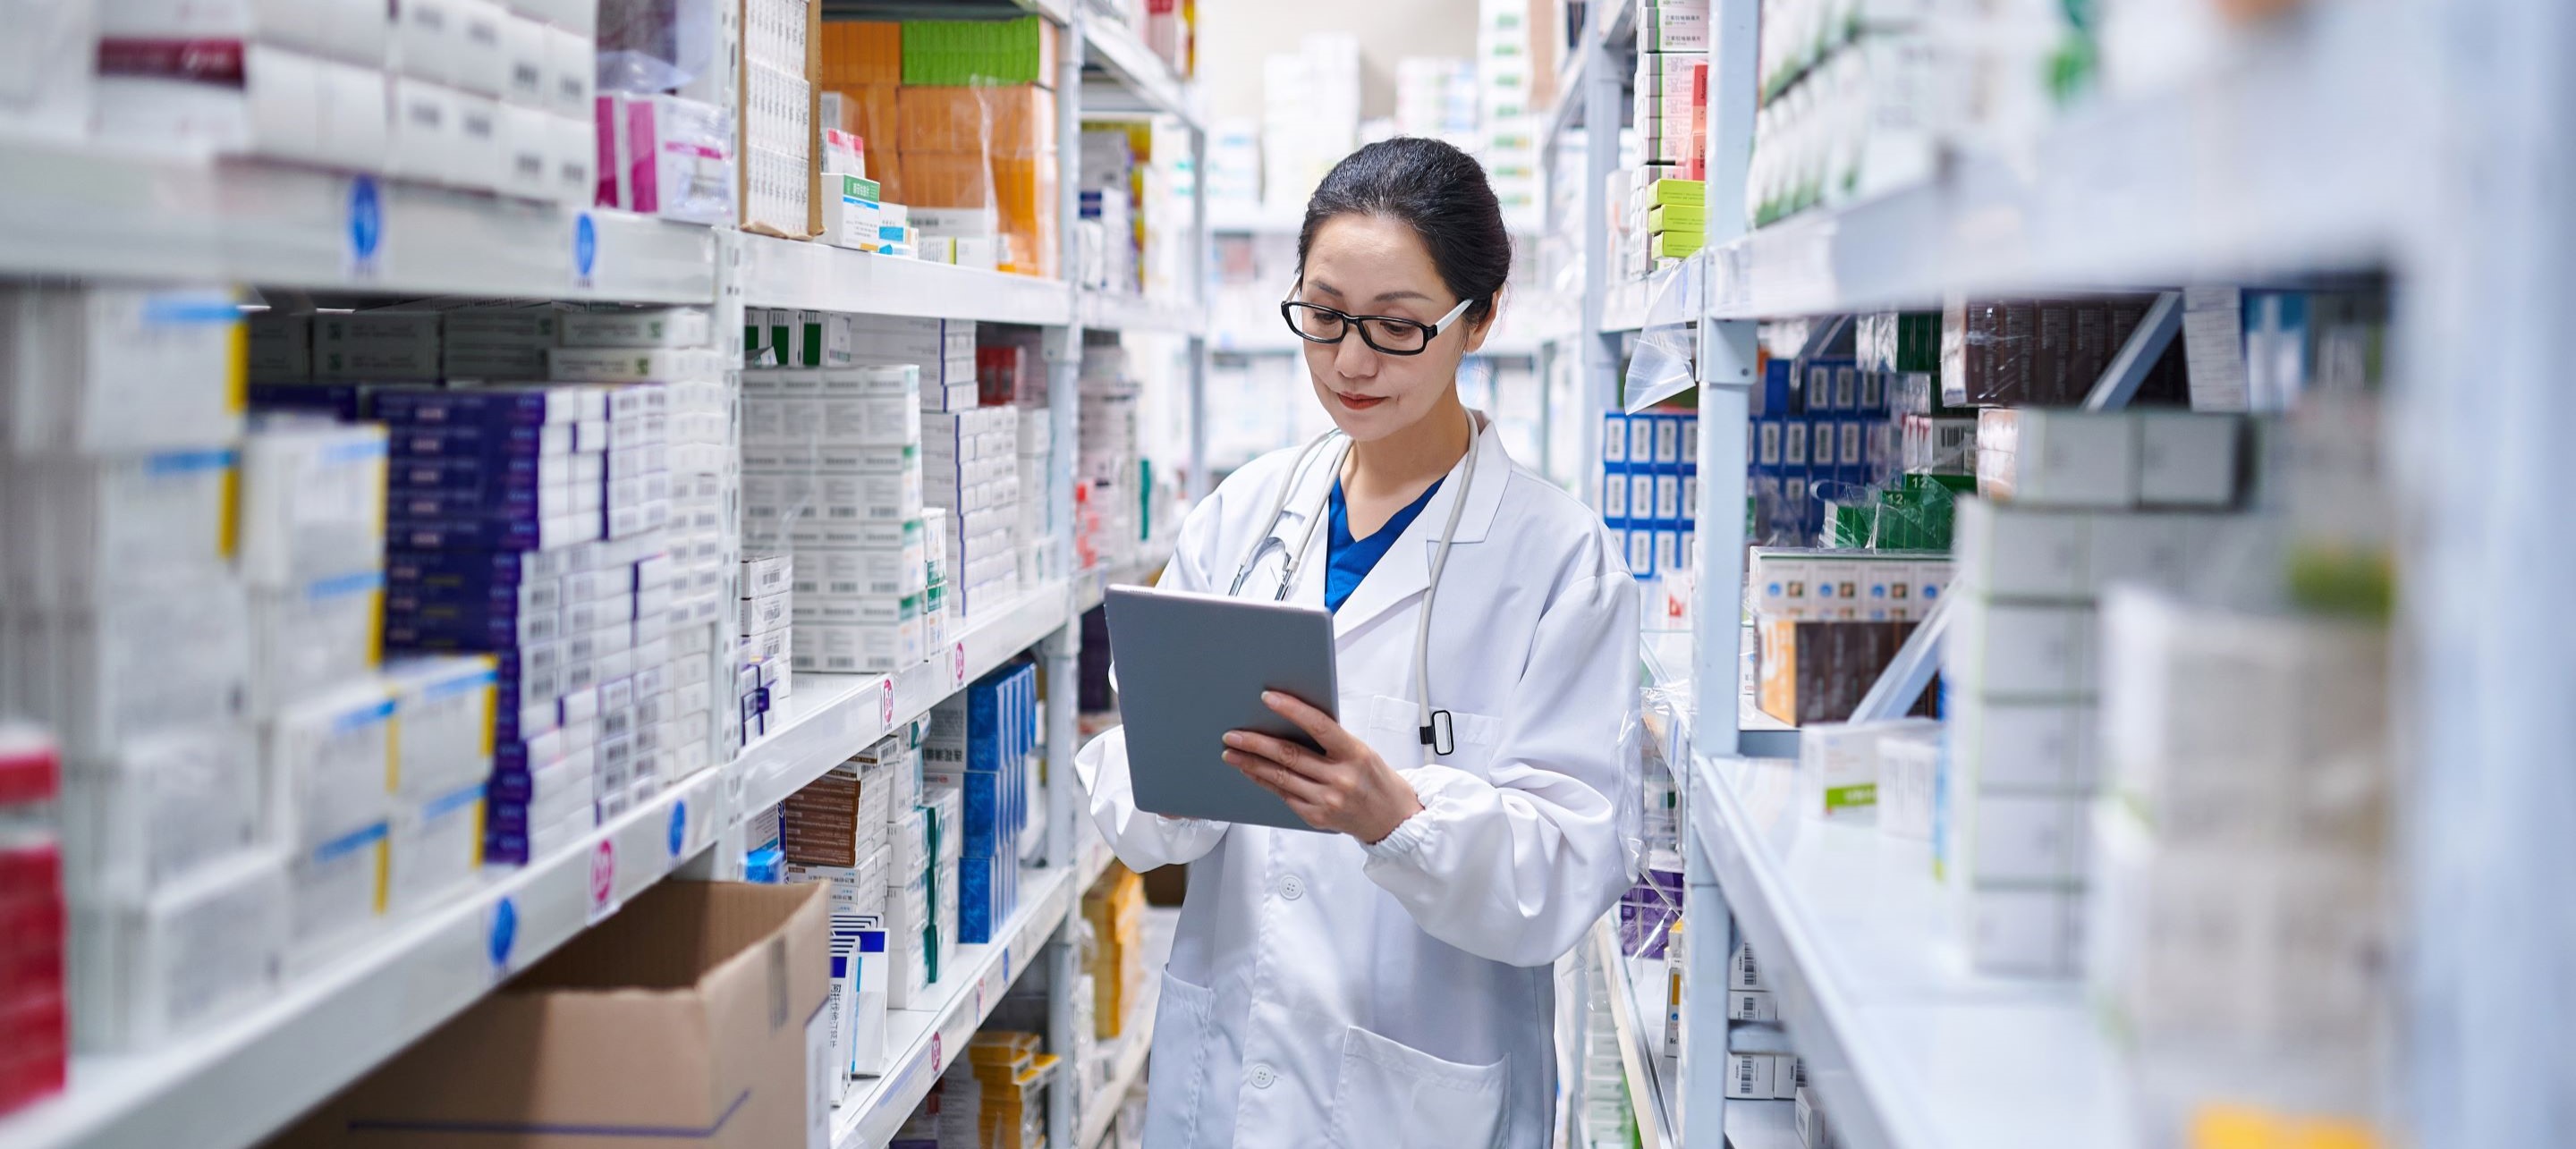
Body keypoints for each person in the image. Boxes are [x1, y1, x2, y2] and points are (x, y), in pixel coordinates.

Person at [1074, 137, 1642, 1149]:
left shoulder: (1558, 559)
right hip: (1229, 1072)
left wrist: (1401, 819)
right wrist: (1166, 774)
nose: (1350, 361)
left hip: (1418, 1098)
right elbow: (1137, 786)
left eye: (1396, 327)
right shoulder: (1244, 513)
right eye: (1325, 315)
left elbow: (1565, 866)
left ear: (1482, 319)